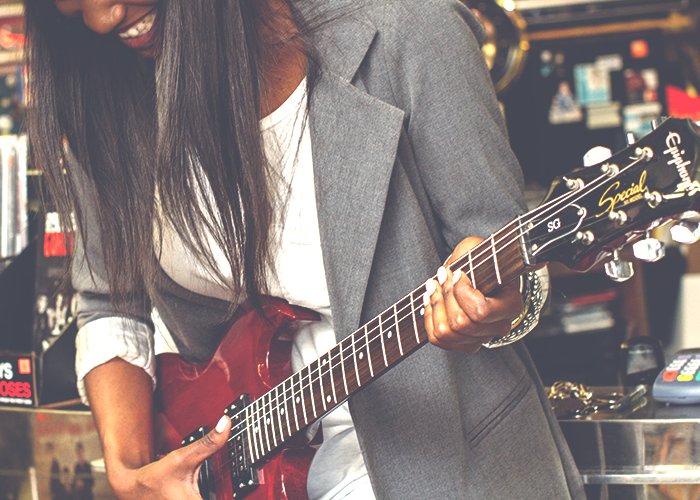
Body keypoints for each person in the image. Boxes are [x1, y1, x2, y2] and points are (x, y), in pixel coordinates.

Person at [24, 0, 585, 498]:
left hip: (451, 463)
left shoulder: (407, 28)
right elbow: (111, 301)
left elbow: (516, 258)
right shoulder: (111, 93)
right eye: (73, 13)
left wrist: (498, 304)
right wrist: (130, 473)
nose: (102, 19)